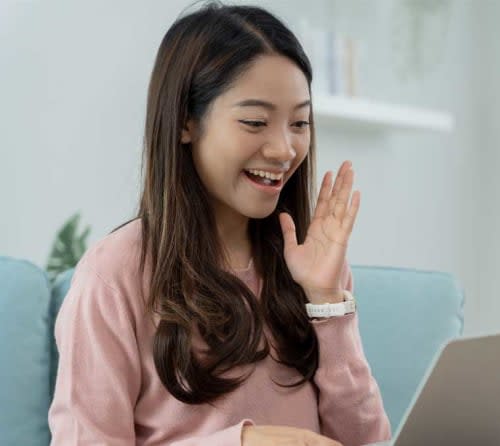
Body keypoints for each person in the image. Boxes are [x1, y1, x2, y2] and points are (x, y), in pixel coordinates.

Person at [47, 2, 391, 445]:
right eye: (255, 121)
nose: (284, 149)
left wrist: (328, 302)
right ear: (186, 122)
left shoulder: (309, 266)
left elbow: (366, 441)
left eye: (300, 122)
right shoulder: (113, 276)